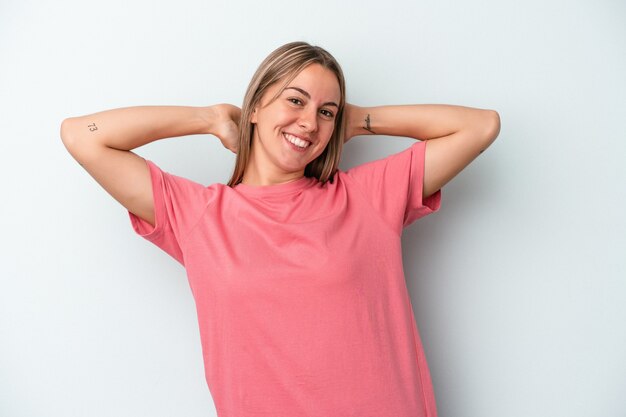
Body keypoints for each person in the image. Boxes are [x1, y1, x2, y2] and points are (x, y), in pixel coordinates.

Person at [60, 41, 500, 417]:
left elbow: (480, 126)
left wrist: (357, 119)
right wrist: (209, 119)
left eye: (325, 111)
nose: (310, 122)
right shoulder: (196, 214)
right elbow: (82, 135)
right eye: (295, 100)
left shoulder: (367, 197)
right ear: (254, 106)